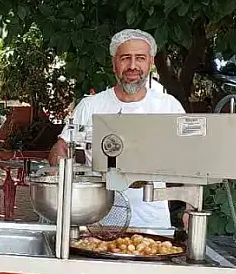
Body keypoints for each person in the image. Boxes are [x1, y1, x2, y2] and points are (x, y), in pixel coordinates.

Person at [48, 29, 185, 229]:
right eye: (125, 58)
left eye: (140, 58)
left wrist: (190, 208)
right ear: (114, 64)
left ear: (151, 63)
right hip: (95, 224)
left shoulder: (168, 107)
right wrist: (62, 165)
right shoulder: (90, 106)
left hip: (153, 227)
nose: (132, 66)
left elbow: (191, 161)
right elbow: (60, 148)